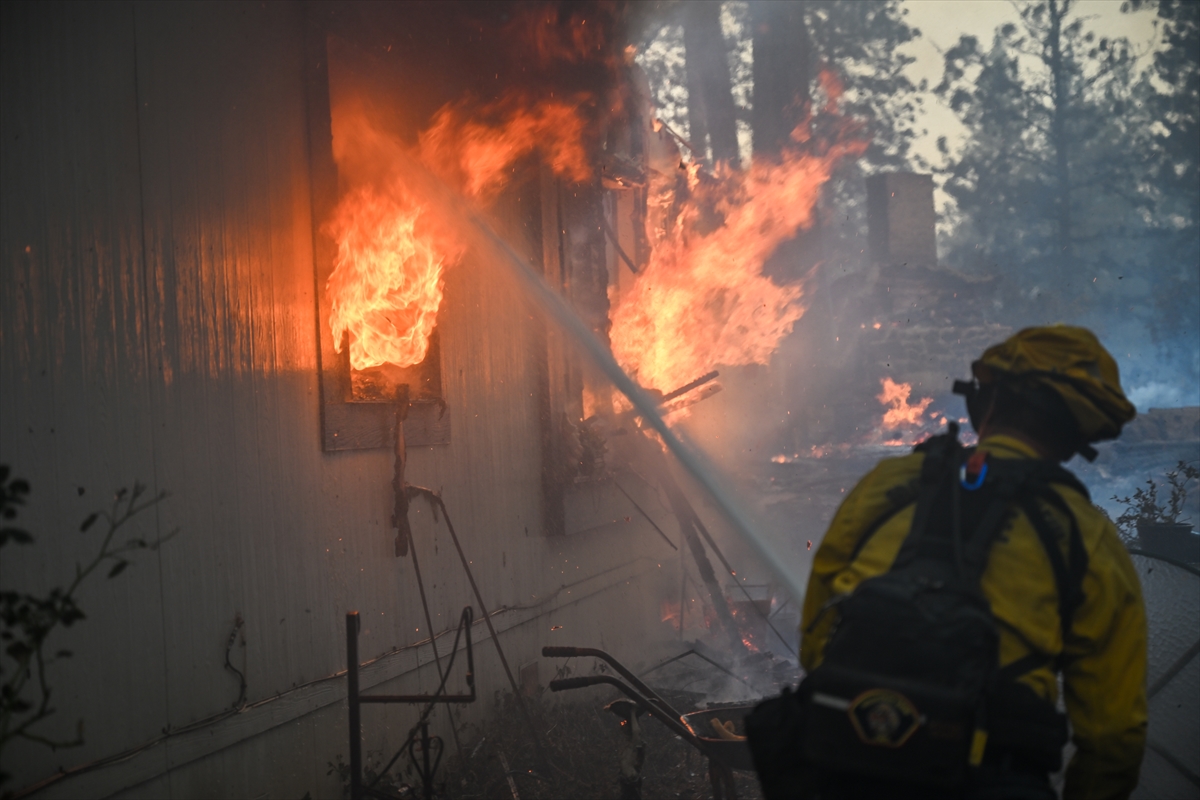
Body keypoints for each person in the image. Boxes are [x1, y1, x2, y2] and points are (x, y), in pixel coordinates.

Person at [749, 326, 1147, 800]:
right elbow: (1113, 738)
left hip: (849, 761)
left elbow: (818, 636)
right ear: (1074, 436)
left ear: (988, 403)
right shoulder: (1088, 536)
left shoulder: (888, 486)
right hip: (994, 776)